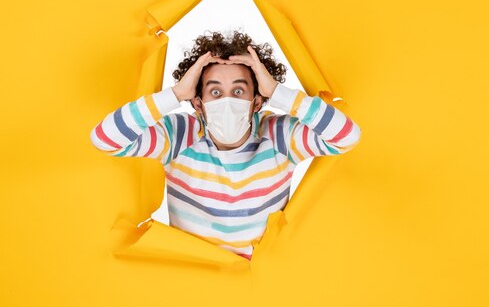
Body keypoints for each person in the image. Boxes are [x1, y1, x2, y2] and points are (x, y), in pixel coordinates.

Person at [89, 30, 362, 260]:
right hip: (193, 278)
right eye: (215, 92)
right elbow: (105, 139)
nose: (227, 101)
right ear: (199, 103)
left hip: (258, 284)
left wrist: (278, 92)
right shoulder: (180, 135)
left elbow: (347, 137)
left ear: (257, 101)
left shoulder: (279, 137)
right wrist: (175, 95)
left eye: (239, 91)